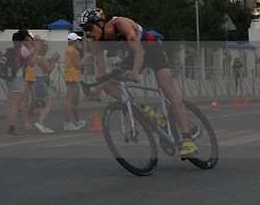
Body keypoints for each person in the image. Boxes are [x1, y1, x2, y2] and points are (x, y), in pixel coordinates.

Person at [80, 8, 196, 157]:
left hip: (152, 50)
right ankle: (140, 109)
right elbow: (101, 68)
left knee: (169, 92)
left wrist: (134, 72)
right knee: (107, 84)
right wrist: (100, 80)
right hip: (134, 56)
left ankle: (187, 139)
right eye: (84, 30)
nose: (88, 33)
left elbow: (139, 51)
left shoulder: (120, 24)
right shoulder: (95, 40)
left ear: (101, 23)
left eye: (89, 28)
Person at [4, 29, 32, 137]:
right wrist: (31, 50)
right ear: (24, 37)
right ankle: (11, 129)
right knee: (15, 105)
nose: (29, 38)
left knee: (12, 104)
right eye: (28, 36)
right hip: (18, 78)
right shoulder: (23, 49)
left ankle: (11, 127)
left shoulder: (14, 49)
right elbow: (31, 63)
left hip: (10, 78)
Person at [27, 37, 57, 134]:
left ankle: (42, 125)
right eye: (46, 47)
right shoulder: (40, 58)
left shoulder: (38, 57)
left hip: (40, 81)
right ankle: (40, 123)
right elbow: (48, 70)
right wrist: (54, 61)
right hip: (41, 82)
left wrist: (51, 60)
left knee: (43, 105)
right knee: (49, 104)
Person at [63, 32, 85, 131]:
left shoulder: (69, 50)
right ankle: (67, 123)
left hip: (72, 77)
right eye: (77, 40)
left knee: (75, 101)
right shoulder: (74, 51)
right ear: (73, 41)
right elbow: (78, 65)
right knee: (70, 101)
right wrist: (85, 58)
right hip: (72, 77)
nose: (79, 42)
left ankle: (78, 120)